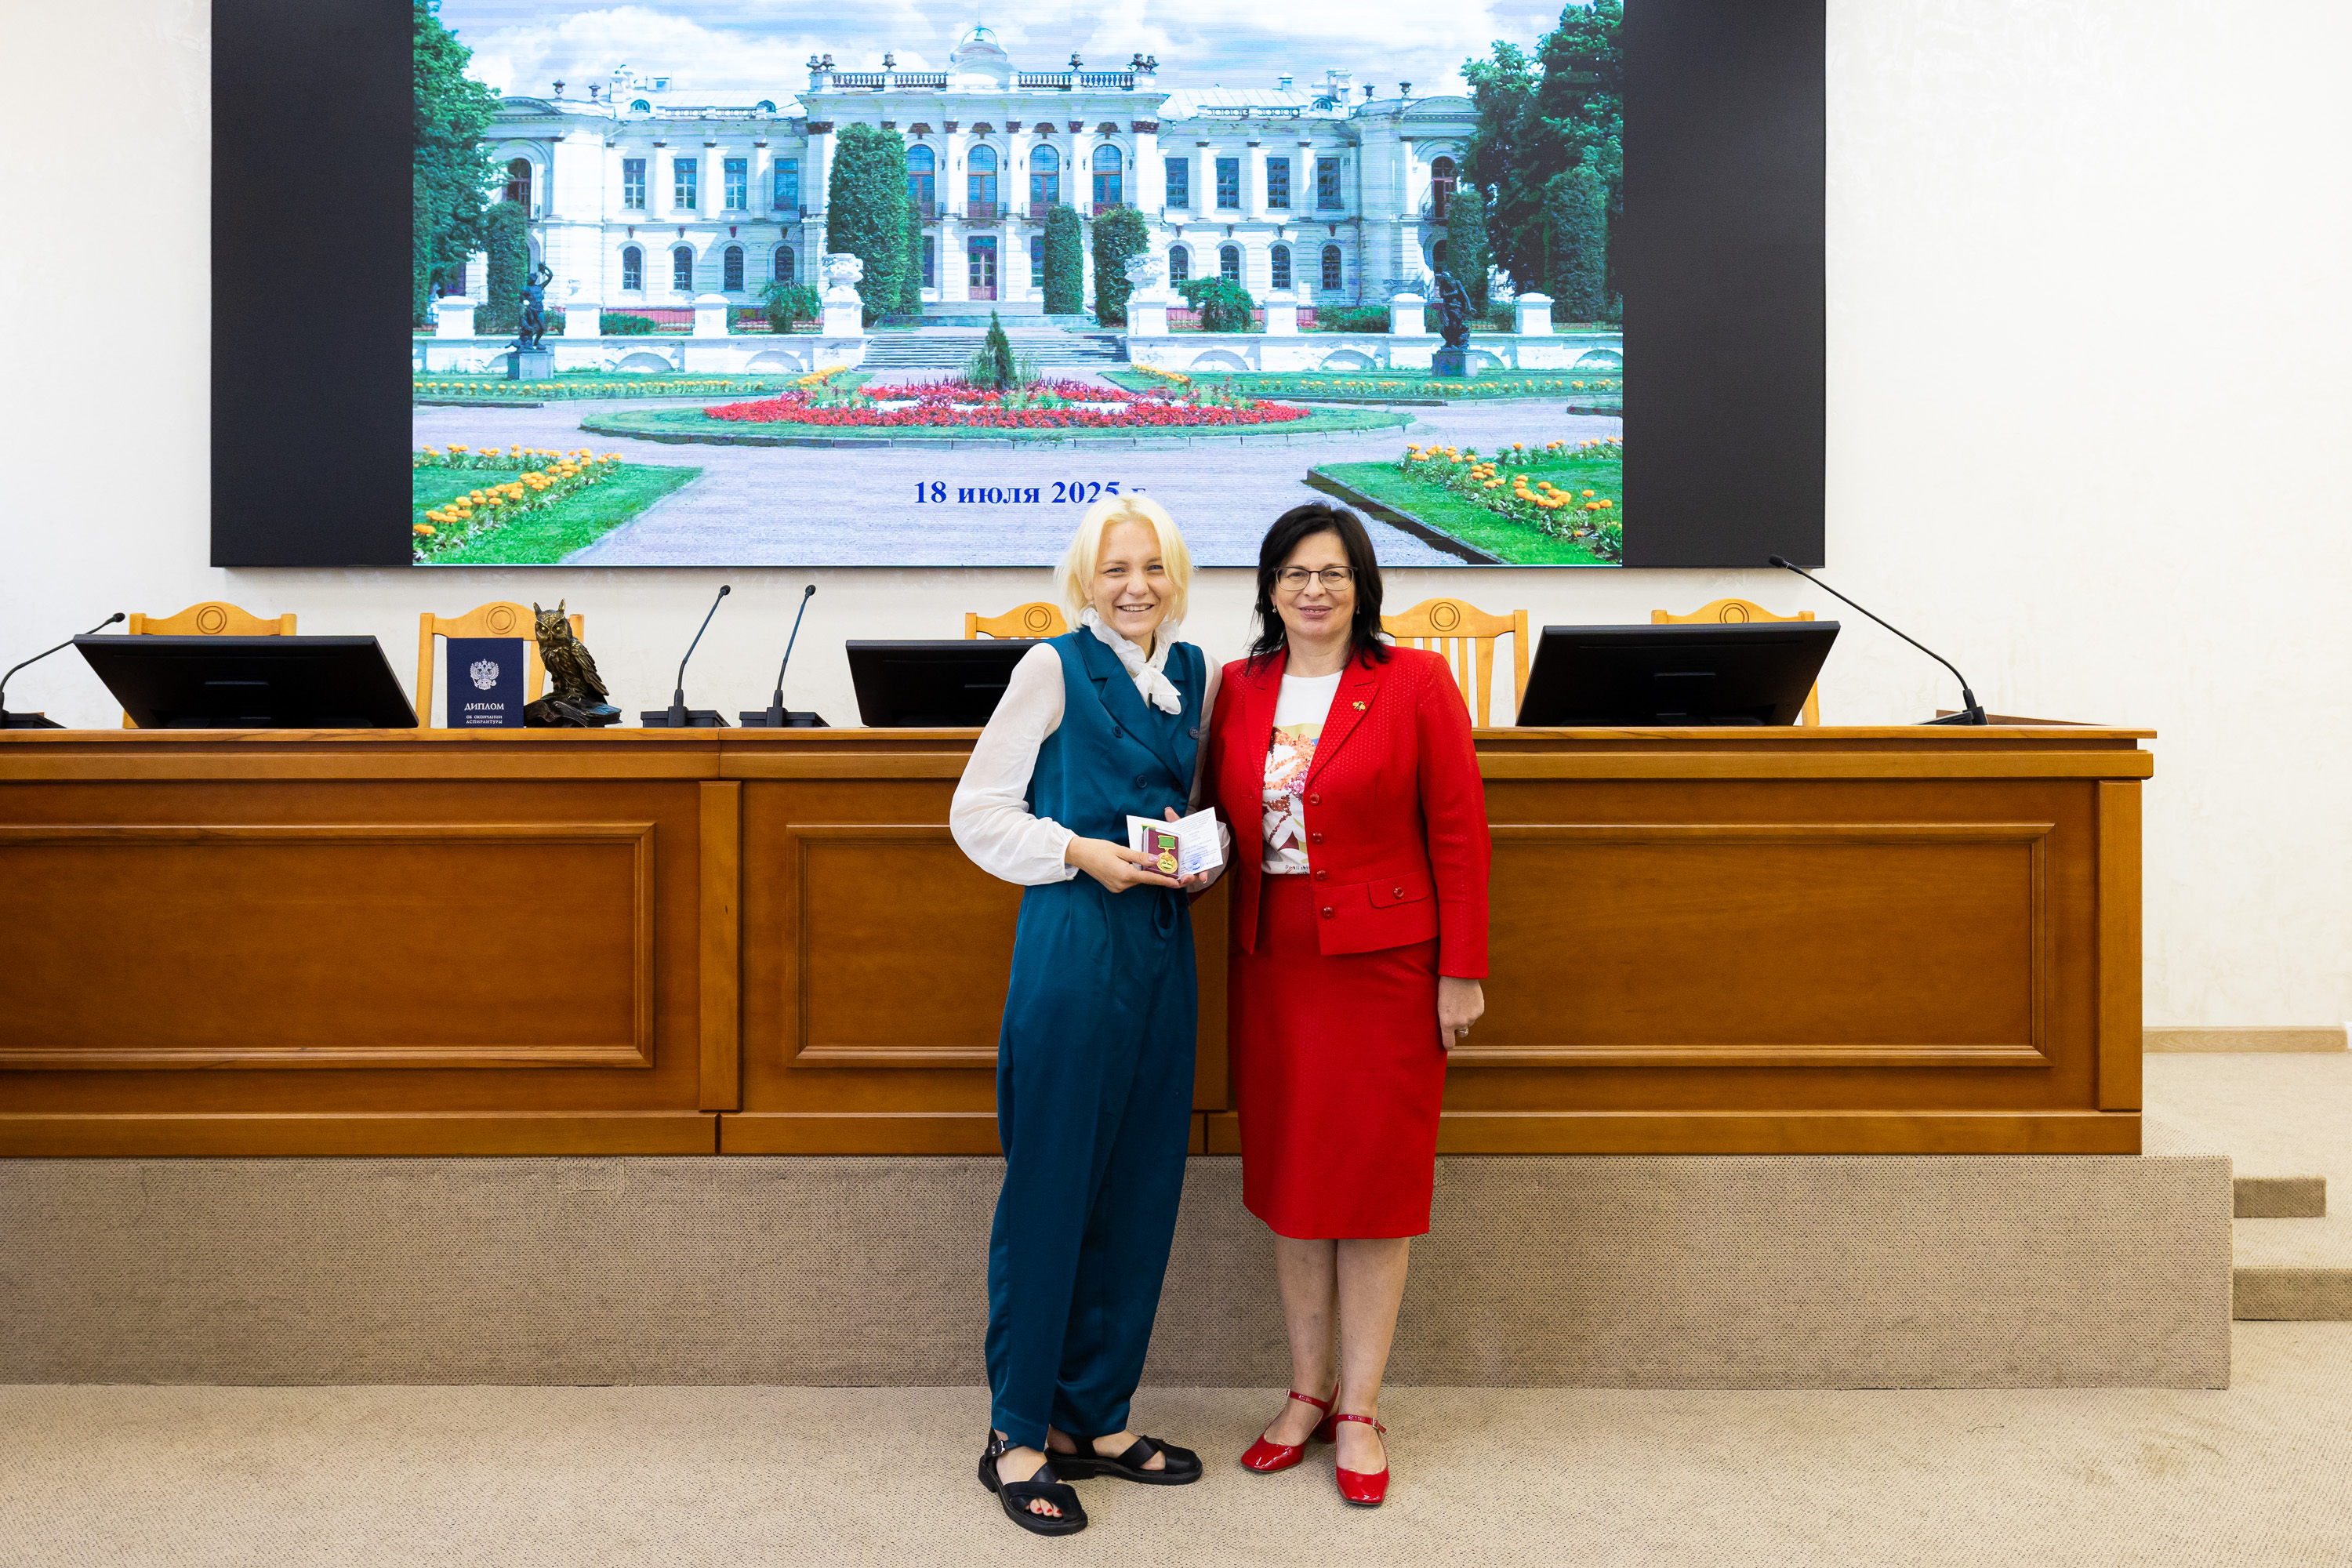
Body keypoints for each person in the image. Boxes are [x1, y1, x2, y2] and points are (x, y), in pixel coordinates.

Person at [1200, 501, 1491, 1508]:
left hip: (1388, 969)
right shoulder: (1236, 685)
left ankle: (1360, 1408)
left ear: (1363, 584)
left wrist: (1461, 967)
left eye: (1333, 572)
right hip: (1273, 963)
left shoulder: (1415, 680)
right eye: (1295, 573)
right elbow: (1208, 814)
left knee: (1370, 1187)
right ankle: (1305, 1391)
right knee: (1293, 1183)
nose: (1314, 589)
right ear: (1269, 588)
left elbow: (1459, 831)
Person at [949, 494, 1229, 1537]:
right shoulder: (1051, 667)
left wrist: (1203, 857)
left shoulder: (1196, 673)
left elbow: (1195, 807)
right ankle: (1018, 1433)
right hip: (1073, 944)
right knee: (1054, 1188)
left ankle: (1094, 1418)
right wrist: (1075, 849)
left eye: (1152, 566)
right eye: (1115, 568)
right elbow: (978, 811)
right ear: (1084, 580)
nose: (1135, 586)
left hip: (1160, 948)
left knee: (1141, 1187)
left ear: (1176, 576)